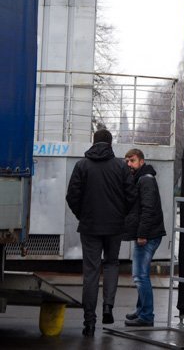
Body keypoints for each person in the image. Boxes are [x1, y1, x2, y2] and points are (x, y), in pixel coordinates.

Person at [66, 128, 137, 337]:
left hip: (89, 226)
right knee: (112, 264)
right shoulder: (120, 166)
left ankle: (89, 322)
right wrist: (120, 215)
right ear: (110, 143)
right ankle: (108, 307)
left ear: (93, 142)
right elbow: (131, 196)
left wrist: (83, 215)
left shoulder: (82, 165)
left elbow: (72, 196)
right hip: (114, 227)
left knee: (91, 271)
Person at [122, 148, 166, 327]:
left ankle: (147, 316)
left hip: (148, 236)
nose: (129, 164)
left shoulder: (146, 179)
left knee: (140, 276)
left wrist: (142, 234)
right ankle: (141, 310)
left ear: (141, 161)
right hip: (148, 234)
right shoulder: (140, 178)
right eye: (127, 161)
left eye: (132, 160)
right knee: (141, 275)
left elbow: (148, 209)